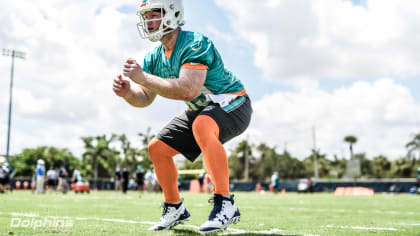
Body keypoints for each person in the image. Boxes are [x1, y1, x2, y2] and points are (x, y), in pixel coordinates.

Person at [112, 0, 252, 232]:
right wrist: (128, 93)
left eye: (153, 15)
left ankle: (226, 203)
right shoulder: (154, 57)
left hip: (234, 103)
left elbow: (187, 90)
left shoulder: (195, 43)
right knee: (157, 148)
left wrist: (142, 78)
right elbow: (145, 98)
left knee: (202, 124)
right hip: (201, 110)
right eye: (145, 17)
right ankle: (174, 206)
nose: (148, 22)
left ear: (172, 13)